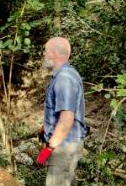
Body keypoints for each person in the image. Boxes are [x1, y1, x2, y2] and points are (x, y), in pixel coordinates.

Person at [36, 37, 87, 186]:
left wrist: (49, 148)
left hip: (63, 147)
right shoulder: (67, 73)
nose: (44, 54)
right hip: (67, 143)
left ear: (53, 53)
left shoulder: (64, 78)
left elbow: (66, 119)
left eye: (45, 51)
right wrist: (46, 128)